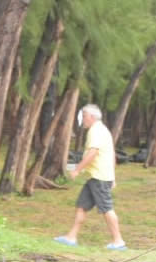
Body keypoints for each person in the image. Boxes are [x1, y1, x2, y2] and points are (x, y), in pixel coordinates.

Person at [54, 104, 126, 250]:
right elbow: (111, 154)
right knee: (82, 206)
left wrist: (77, 170)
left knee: (107, 208)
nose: (83, 120)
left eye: (85, 116)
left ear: (92, 117)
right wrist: (113, 177)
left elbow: (92, 153)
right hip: (97, 177)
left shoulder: (96, 131)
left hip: (99, 178)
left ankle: (118, 241)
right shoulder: (103, 130)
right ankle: (71, 237)